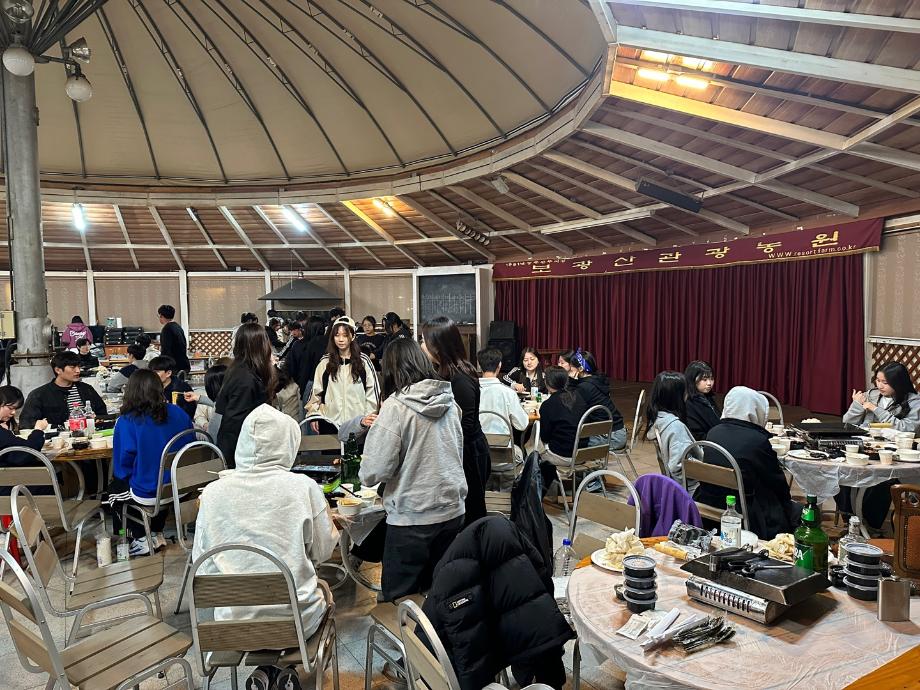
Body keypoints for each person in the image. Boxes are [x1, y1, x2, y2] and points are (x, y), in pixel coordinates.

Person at [193, 403, 338, 661]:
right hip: (296, 626)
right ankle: (285, 671)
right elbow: (324, 551)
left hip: (231, 627)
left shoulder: (212, 493)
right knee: (324, 591)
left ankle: (268, 673)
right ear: (289, 444)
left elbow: (202, 567)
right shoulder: (303, 488)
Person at [359, 338, 467, 601]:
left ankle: (406, 630)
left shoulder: (396, 407)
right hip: (453, 509)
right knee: (441, 592)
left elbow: (374, 471)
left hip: (412, 516)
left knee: (400, 598)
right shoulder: (450, 402)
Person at [696, 387, 800, 540]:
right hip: (746, 511)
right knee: (799, 511)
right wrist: (786, 502)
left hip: (709, 502)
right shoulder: (757, 440)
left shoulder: (713, 432)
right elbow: (776, 481)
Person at [109, 370, 194, 556]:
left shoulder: (127, 421)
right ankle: (156, 532)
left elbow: (123, 466)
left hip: (149, 492)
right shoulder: (178, 412)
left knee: (114, 493)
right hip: (181, 486)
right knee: (155, 477)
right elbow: (191, 444)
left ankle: (140, 537)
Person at [422, 317, 491, 524]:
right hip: (460, 451)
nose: (421, 345)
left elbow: (465, 427)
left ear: (437, 346)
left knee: (471, 514)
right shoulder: (444, 371)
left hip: (469, 454)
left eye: (424, 341)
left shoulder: (460, 377)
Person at [215, 322, 274, 468]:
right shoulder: (246, 379)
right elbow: (237, 420)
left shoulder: (238, 369)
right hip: (241, 450)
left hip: (238, 445)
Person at [307, 316, 379, 430]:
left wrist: (368, 417)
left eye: (345, 335)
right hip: (329, 422)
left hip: (358, 423)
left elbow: (373, 393)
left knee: (354, 443)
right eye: (337, 335)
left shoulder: (364, 362)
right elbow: (316, 392)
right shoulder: (325, 362)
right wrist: (314, 414)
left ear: (353, 336)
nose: (340, 339)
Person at [20, 351, 106, 429]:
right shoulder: (39, 395)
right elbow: (26, 423)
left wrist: (97, 420)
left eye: (78, 367)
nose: (78, 371)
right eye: (72, 367)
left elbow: (102, 414)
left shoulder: (87, 389)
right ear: (58, 370)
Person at [644, 371, 699, 492]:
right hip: (690, 489)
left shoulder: (658, 418)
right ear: (676, 396)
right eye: (685, 391)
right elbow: (678, 466)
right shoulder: (676, 428)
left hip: (674, 485)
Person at [567, 349, 627, 451]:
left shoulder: (584, 387)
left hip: (612, 437)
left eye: (572, 366)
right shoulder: (597, 380)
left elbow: (570, 404)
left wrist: (571, 380)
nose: (569, 368)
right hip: (619, 432)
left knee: (567, 441)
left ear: (580, 369)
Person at [538, 366, 589, 480]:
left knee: (533, 443)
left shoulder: (548, 405)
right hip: (583, 453)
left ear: (547, 383)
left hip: (563, 456)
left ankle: (534, 479)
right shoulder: (578, 397)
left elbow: (545, 437)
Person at [845, 361, 920, 433]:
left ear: (898, 383)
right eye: (878, 380)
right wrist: (857, 405)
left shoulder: (914, 402)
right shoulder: (871, 395)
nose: (880, 386)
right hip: (866, 439)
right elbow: (847, 425)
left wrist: (876, 409)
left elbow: (909, 428)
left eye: (885, 382)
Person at [477, 347, 529, 449]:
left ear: (480, 365)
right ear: (499, 365)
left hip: (477, 452)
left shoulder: (470, 391)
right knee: (521, 451)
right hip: (503, 453)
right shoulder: (508, 393)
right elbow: (522, 425)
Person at [0, 386, 49, 486]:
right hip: (9, 487)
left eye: (15, 409)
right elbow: (26, 452)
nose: (13, 412)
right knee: (51, 476)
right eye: (10, 408)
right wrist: (38, 430)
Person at [149, 356, 196, 421]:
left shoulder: (182, 389)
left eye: (157, 372)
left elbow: (188, 413)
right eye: (151, 372)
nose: (152, 375)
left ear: (168, 373)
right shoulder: (149, 387)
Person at [684, 360, 721, 441]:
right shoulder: (688, 403)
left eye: (711, 379)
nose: (709, 383)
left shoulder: (707, 398)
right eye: (704, 379)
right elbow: (696, 435)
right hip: (705, 445)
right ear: (692, 380)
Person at [189, 364, 227, 437]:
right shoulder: (235, 399)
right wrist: (204, 424)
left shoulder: (219, 410)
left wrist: (191, 428)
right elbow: (199, 416)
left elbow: (211, 439)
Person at [157, 305, 190, 374]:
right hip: (183, 364)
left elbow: (166, 350)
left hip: (173, 367)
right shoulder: (178, 327)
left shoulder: (167, 329)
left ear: (161, 315)